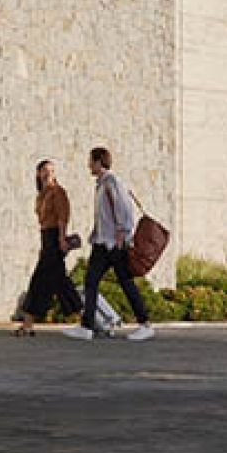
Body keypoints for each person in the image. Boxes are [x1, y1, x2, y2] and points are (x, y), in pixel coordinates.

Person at [63, 146, 154, 342]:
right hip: (102, 243)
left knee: (125, 283)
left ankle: (145, 324)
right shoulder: (101, 183)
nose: (88, 165)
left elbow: (124, 209)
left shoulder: (111, 181)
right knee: (91, 281)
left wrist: (122, 231)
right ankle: (87, 327)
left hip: (114, 244)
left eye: (91, 161)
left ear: (98, 162)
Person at [15, 159, 83, 336]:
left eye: (51, 171)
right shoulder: (42, 194)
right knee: (60, 281)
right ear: (38, 173)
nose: (48, 174)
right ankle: (85, 318)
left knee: (38, 280)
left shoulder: (57, 192)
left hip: (54, 238)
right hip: (46, 239)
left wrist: (61, 238)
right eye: (45, 170)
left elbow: (62, 217)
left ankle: (28, 323)